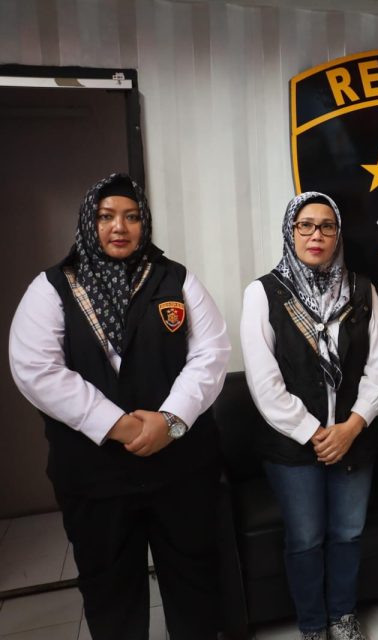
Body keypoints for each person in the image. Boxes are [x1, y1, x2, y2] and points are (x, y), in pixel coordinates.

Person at [8, 173, 231, 639]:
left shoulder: (175, 278)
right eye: (106, 216)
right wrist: (118, 425)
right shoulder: (52, 287)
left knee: (194, 583)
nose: (119, 227)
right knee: (111, 592)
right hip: (96, 477)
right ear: (88, 222)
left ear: (144, 223)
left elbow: (211, 354)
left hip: (181, 470)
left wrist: (170, 420)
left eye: (131, 217)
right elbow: (36, 369)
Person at [240, 191, 378, 640]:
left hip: (353, 438)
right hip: (292, 444)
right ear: (290, 232)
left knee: (348, 532)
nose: (316, 235)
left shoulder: (361, 290)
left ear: (338, 234)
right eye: (305, 225)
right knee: (305, 539)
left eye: (327, 226)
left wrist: (351, 427)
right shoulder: (264, 293)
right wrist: (314, 433)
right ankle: (311, 624)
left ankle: (342, 615)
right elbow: (264, 383)